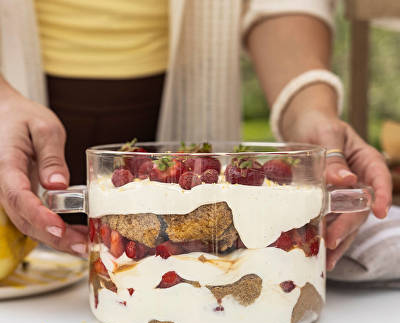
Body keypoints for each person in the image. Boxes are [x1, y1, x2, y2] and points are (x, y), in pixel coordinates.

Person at [0, 0, 391, 272]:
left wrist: (309, 111)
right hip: (13, 126)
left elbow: (282, 5)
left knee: (217, 260)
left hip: (191, 113)